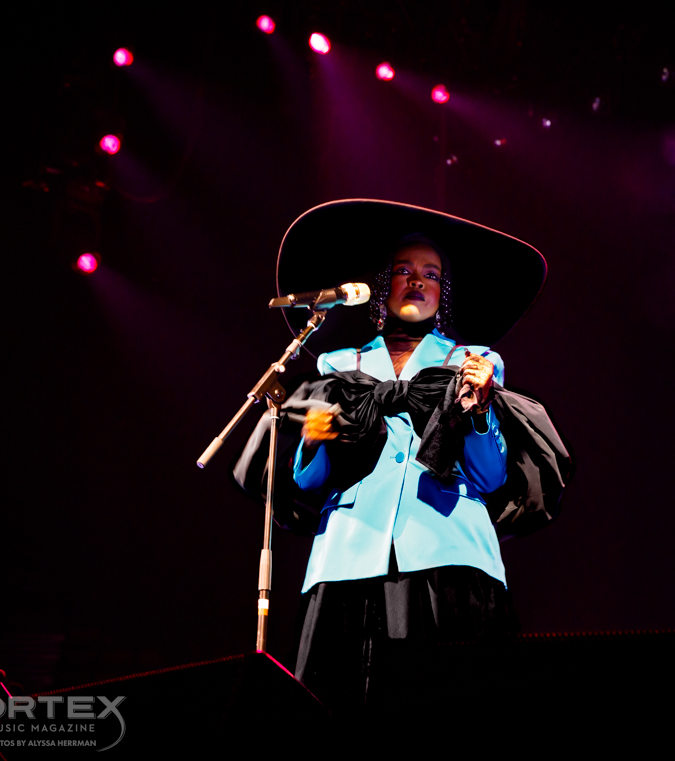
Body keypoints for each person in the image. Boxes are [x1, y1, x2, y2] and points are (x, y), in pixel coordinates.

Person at [232, 200, 570, 714]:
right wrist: (314, 443)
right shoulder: (337, 368)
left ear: (443, 293)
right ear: (381, 285)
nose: (417, 281)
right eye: (403, 270)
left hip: (449, 557)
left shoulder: (472, 363)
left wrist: (479, 411)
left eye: (430, 274)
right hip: (346, 560)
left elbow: (491, 477)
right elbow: (308, 485)